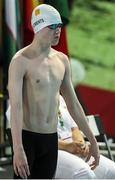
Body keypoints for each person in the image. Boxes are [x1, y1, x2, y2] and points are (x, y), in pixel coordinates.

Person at [8, 4, 100, 179]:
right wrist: (18, 148)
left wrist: (92, 140)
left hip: (50, 139)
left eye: (59, 26)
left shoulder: (62, 60)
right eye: (53, 26)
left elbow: (73, 104)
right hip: (28, 139)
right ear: (39, 26)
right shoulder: (20, 61)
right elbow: (16, 107)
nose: (58, 30)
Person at [55, 95, 115, 179]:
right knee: (84, 174)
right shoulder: (33, 97)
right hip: (54, 149)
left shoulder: (61, 98)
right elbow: (35, 137)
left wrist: (81, 144)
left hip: (74, 148)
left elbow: (74, 128)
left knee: (112, 172)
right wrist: (66, 146)